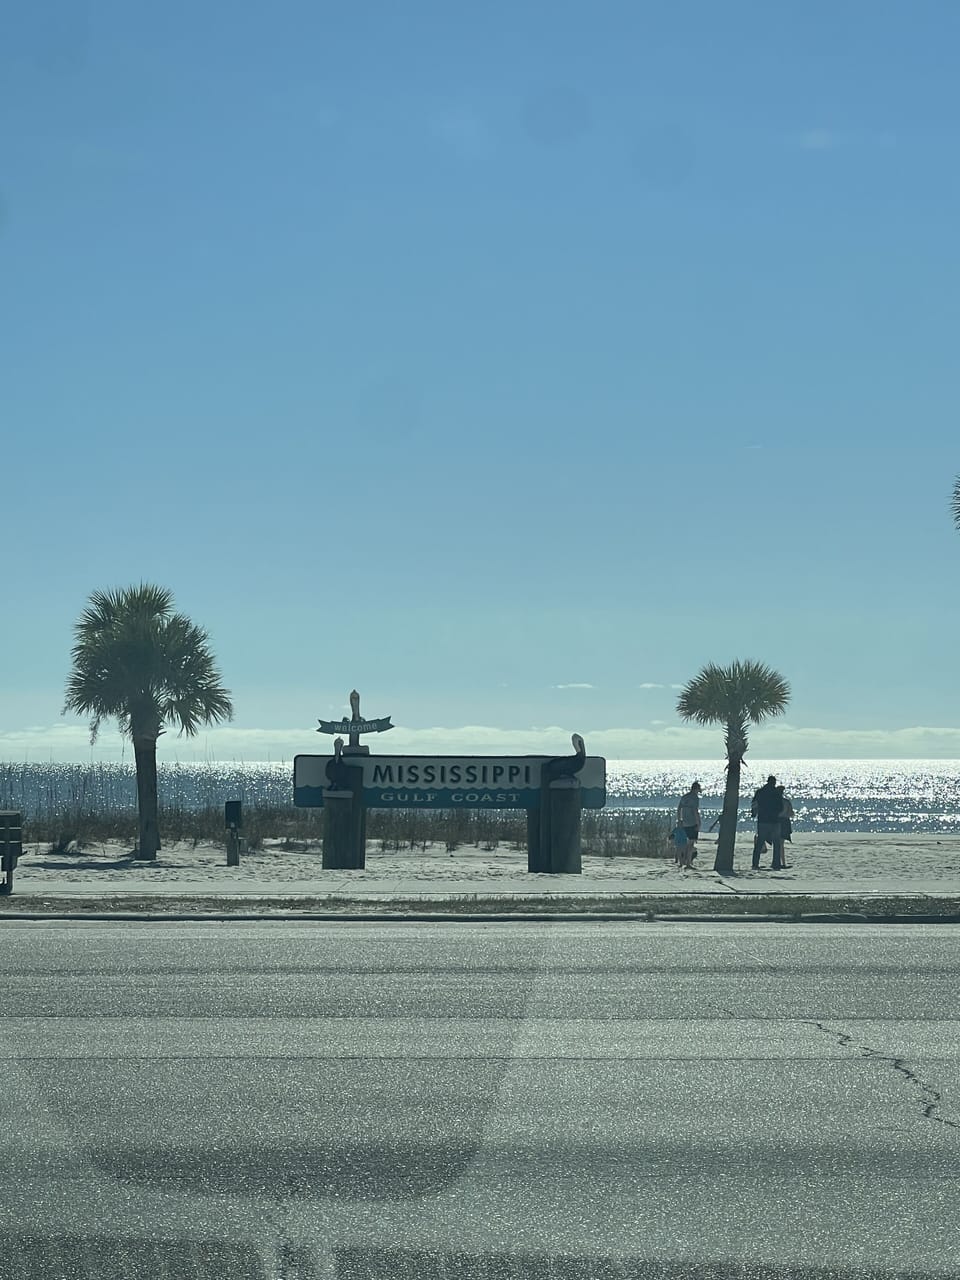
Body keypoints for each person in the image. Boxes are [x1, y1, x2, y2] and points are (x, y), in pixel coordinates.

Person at [751, 775, 784, 870]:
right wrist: (777, 813)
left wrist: (754, 813)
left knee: (760, 842)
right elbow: (780, 807)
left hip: (763, 820)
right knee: (776, 843)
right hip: (774, 820)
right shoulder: (776, 793)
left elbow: (754, 804)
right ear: (774, 782)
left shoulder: (760, 792)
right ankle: (776, 863)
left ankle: (755, 864)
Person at [677, 782, 702, 866]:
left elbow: (679, 809)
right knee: (691, 843)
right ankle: (688, 862)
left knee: (685, 843)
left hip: (684, 822)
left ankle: (683, 861)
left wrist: (679, 820)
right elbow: (695, 811)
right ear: (696, 789)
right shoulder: (695, 798)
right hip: (692, 822)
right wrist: (698, 822)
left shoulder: (684, 797)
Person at [777, 784, 795, 868]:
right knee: (781, 844)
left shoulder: (774, 801)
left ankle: (778, 862)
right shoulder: (786, 802)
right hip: (784, 821)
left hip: (777, 821)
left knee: (777, 843)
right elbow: (791, 813)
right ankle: (782, 863)